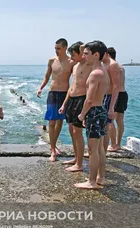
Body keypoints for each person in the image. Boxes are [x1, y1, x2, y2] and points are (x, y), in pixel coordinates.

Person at [74, 41, 109, 189]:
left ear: (96, 55)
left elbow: (89, 99)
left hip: (94, 111)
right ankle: (101, 177)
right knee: (99, 147)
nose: (84, 56)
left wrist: (82, 115)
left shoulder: (95, 74)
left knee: (93, 149)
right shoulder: (103, 71)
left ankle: (91, 181)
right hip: (101, 110)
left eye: (86, 53)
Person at [36, 38, 76, 162]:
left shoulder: (71, 62)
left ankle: (53, 146)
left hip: (65, 93)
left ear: (65, 48)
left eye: (58, 48)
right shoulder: (52, 60)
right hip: (52, 93)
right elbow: (47, 76)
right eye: (55, 48)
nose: (56, 51)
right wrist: (41, 88)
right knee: (52, 122)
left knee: (59, 121)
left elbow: (77, 78)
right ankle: (52, 150)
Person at [59, 41, 92, 172]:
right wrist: (64, 104)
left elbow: (85, 48)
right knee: (72, 131)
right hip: (71, 99)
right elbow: (72, 86)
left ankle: (79, 164)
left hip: (81, 99)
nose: (71, 57)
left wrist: (81, 47)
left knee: (77, 132)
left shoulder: (88, 64)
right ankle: (76, 158)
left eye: (73, 54)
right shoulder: (75, 66)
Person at [107, 47, 128, 151]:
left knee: (110, 120)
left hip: (115, 95)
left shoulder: (111, 66)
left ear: (108, 55)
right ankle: (118, 144)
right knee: (120, 121)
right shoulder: (121, 67)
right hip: (123, 93)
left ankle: (113, 144)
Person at [101, 47, 121, 154]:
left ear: (106, 54)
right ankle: (100, 149)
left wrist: (112, 107)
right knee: (103, 123)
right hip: (103, 96)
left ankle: (110, 146)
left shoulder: (112, 65)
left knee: (108, 122)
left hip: (109, 97)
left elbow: (115, 86)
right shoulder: (104, 64)